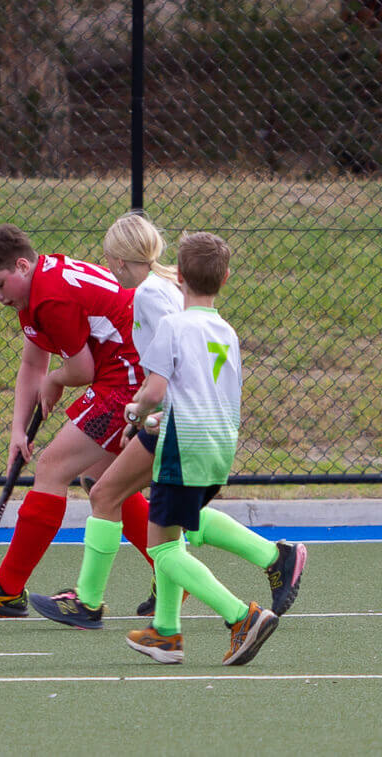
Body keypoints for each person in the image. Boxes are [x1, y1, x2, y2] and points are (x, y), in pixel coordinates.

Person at [31, 214, 306, 629]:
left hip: (180, 422)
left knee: (108, 496)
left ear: (118, 261)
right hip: (197, 419)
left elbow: (171, 365)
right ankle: (175, 621)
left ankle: (90, 603)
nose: (107, 268)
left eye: (107, 260)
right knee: (166, 516)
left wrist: (142, 413)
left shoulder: (148, 294)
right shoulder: (169, 290)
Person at [0, 223, 154, 616]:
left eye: (0, 284)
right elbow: (32, 363)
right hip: (124, 372)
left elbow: (81, 370)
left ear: (22, 266)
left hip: (129, 378)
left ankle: (7, 590)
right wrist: (17, 432)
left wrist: (56, 380)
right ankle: (171, 571)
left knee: (52, 468)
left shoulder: (51, 297)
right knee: (103, 482)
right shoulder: (37, 287)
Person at [123, 232, 278, 665]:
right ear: (225, 278)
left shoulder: (173, 325)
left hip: (183, 446)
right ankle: (165, 633)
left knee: (162, 548)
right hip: (219, 444)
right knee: (173, 536)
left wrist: (135, 413)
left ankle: (241, 616)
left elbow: (155, 391)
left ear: (178, 275)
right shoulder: (226, 331)